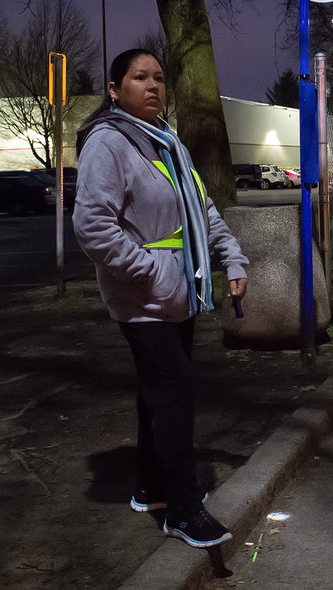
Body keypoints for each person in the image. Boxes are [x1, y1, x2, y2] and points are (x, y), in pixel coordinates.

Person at [72, 48, 248, 549]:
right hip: (144, 297)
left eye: (159, 78)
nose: (153, 86)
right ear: (115, 90)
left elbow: (201, 207)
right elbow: (92, 227)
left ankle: (149, 488)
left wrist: (232, 257)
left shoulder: (169, 143)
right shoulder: (109, 143)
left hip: (179, 292)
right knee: (175, 395)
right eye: (139, 77)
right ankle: (183, 510)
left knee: (158, 392)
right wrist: (151, 273)